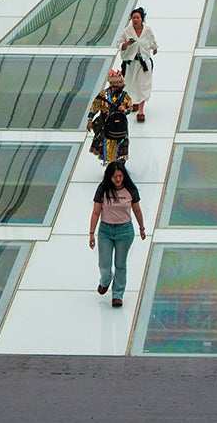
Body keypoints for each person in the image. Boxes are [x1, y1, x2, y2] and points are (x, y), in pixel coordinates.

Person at [88, 161, 145, 308]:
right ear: (109, 177)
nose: (118, 179)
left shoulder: (130, 189)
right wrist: (91, 233)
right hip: (105, 231)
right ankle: (105, 281)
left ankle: (118, 294)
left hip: (124, 231)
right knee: (104, 264)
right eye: (115, 177)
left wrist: (142, 228)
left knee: (120, 264)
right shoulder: (103, 189)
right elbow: (96, 212)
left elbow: (137, 210)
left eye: (120, 176)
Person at [86, 68, 133, 164]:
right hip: (105, 126)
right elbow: (94, 107)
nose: (118, 86)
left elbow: (130, 107)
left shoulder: (125, 96)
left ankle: (120, 164)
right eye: (116, 84)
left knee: (121, 148)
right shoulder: (103, 95)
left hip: (120, 126)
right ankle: (111, 165)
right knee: (107, 147)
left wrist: (125, 110)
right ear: (111, 84)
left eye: (120, 83)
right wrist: (90, 120)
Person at [118, 7, 157, 121]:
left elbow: (153, 42)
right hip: (131, 63)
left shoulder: (147, 30)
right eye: (133, 17)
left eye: (137, 17)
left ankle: (141, 111)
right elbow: (119, 45)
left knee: (143, 85)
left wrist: (154, 48)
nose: (135, 19)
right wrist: (127, 44)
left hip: (144, 62)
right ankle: (134, 102)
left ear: (141, 19)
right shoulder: (127, 31)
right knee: (131, 84)